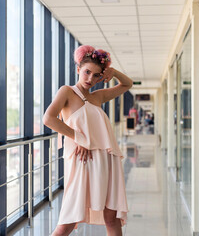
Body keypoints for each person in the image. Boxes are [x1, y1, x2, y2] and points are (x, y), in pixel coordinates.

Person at [43, 45, 132, 236]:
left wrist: (113, 72)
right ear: (78, 69)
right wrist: (79, 138)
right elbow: (48, 119)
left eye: (97, 75)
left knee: (112, 217)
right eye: (87, 72)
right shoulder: (66, 92)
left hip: (106, 160)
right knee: (69, 218)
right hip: (82, 161)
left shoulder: (97, 97)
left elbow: (127, 84)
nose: (90, 79)